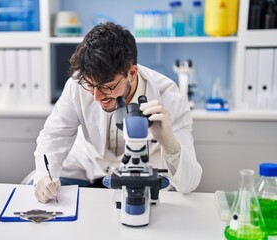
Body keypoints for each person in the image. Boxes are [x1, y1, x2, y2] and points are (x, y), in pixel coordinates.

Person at [33, 22, 202, 203]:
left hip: (139, 180)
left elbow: (189, 184)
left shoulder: (169, 97)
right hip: (86, 169)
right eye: (90, 86)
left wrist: (170, 143)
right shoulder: (77, 85)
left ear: (132, 72)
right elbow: (54, 135)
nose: (97, 96)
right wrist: (44, 176)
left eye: (107, 87)